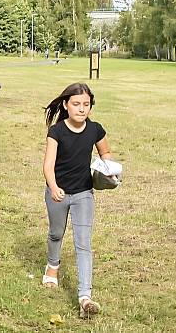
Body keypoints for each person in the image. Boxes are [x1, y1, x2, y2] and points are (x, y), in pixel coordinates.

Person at [41, 82, 113, 318]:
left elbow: (105, 152)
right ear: (66, 105)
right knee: (56, 234)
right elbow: (48, 165)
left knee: (83, 243)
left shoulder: (95, 130)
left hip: (84, 194)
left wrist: (107, 167)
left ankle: (85, 296)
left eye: (86, 104)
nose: (82, 109)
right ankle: (52, 267)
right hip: (58, 192)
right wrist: (53, 187)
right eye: (76, 104)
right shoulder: (57, 132)